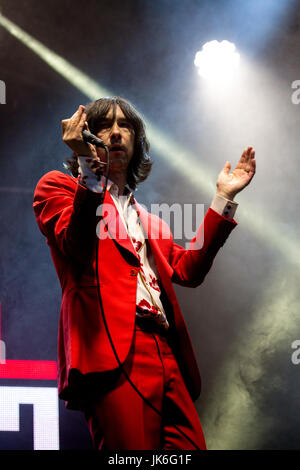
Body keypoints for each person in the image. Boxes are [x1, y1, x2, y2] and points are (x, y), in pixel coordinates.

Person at [33, 97, 256, 450]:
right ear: (86, 135)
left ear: (137, 142)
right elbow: (76, 243)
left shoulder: (151, 222)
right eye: (105, 125)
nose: (117, 132)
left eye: (126, 126)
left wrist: (222, 199)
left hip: (167, 352)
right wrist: (88, 168)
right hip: (112, 352)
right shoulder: (56, 187)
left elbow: (188, 270)